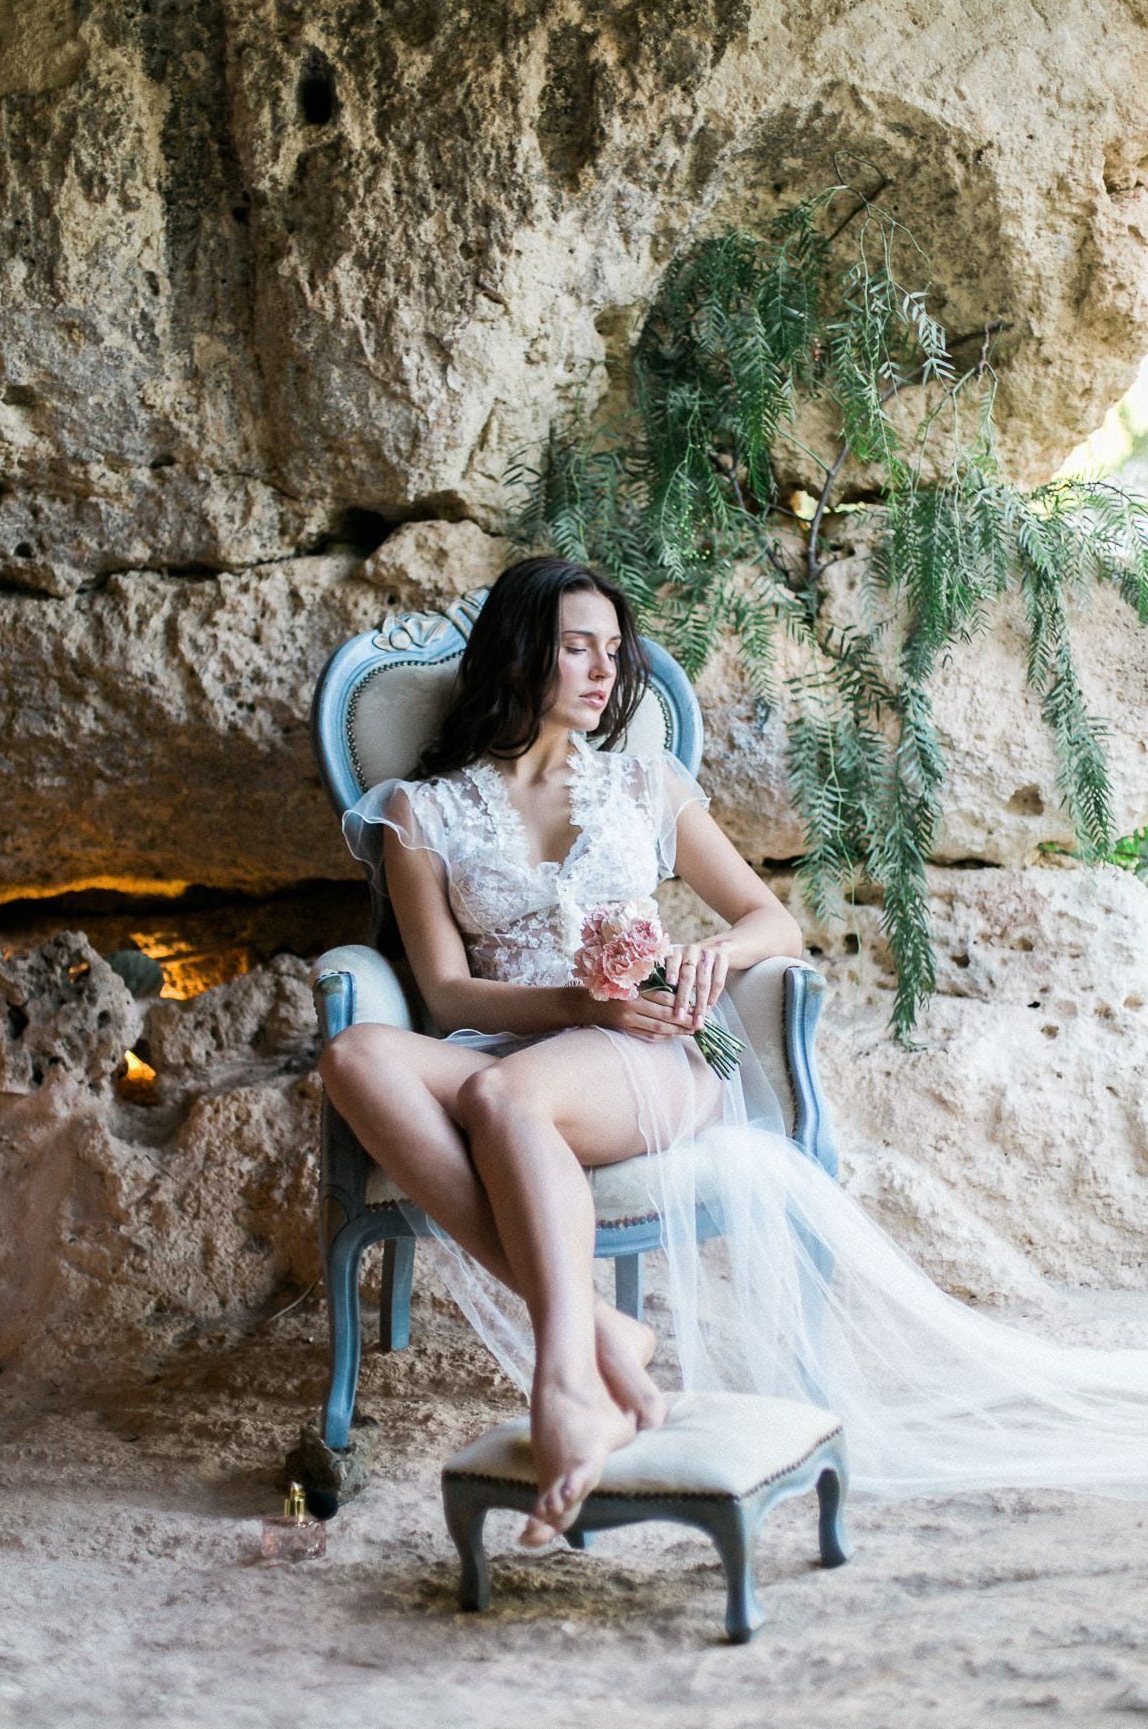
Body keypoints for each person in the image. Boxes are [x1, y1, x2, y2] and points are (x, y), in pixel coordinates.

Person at [321, 556, 1148, 1546]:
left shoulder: (643, 781)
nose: (604, 672)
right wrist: (577, 1001)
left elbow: (772, 921)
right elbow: (449, 993)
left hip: (655, 1051)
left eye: (613, 651)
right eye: (577, 648)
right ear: (517, 656)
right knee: (356, 1057)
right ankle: (600, 1326)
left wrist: (706, 959)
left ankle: (567, 1380)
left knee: (505, 1099)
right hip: (517, 1034)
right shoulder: (423, 810)